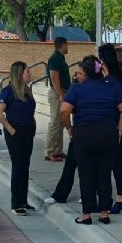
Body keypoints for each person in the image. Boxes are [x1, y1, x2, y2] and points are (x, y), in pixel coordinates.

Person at [60, 56, 122, 225]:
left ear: (87, 72)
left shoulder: (78, 88)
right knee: (104, 174)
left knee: (86, 174)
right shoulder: (111, 86)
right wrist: (119, 130)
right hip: (108, 133)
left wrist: (69, 128)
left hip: (84, 133)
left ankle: (86, 214)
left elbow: (64, 110)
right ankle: (105, 212)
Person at [0, 61, 37, 216]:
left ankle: (23, 200)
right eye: (27, 72)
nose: (30, 74)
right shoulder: (8, 91)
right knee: (18, 166)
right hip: (16, 133)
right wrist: (10, 129)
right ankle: (16, 203)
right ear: (19, 74)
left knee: (25, 166)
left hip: (28, 131)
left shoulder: (26, 90)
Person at [98, 43, 122, 214]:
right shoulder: (109, 77)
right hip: (109, 126)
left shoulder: (116, 80)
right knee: (108, 162)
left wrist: (119, 130)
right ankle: (107, 198)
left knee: (116, 161)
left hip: (119, 126)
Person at [43, 66, 86, 205]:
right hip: (79, 131)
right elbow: (65, 110)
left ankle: (87, 193)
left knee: (86, 165)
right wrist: (69, 128)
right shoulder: (76, 89)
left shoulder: (96, 88)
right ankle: (60, 194)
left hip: (88, 131)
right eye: (77, 73)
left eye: (80, 73)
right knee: (71, 164)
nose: (77, 76)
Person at [45, 37, 70, 162]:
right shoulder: (55, 59)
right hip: (57, 94)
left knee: (61, 124)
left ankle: (58, 150)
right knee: (55, 122)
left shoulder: (60, 58)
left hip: (61, 93)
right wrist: (61, 94)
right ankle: (49, 151)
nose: (68, 47)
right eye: (67, 44)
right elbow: (54, 79)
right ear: (63, 45)